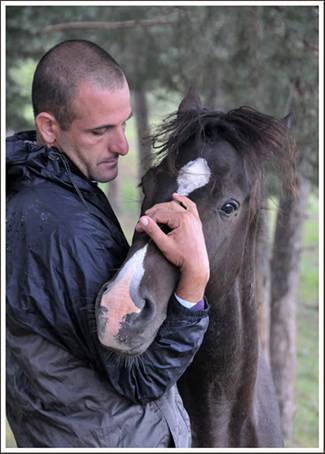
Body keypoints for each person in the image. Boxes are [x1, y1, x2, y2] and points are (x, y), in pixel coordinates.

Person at [6, 40, 210, 448]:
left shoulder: (54, 184)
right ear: (49, 128)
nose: (122, 146)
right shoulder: (62, 226)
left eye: (124, 123)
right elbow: (138, 376)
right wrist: (194, 285)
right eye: (100, 131)